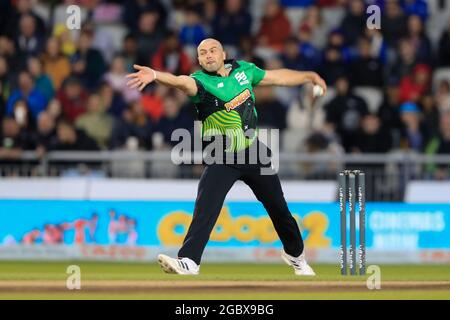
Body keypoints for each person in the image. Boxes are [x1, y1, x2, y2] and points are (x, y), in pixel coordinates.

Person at [126, 38, 327, 276]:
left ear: (223, 54)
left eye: (213, 51)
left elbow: (279, 77)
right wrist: (156, 75)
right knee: (206, 208)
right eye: (203, 53)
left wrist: (308, 76)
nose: (208, 55)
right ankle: (189, 262)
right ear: (199, 60)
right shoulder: (200, 82)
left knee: (279, 209)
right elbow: (181, 82)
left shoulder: (244, 70)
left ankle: (296, 257)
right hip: (222, 155)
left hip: (254, 152)